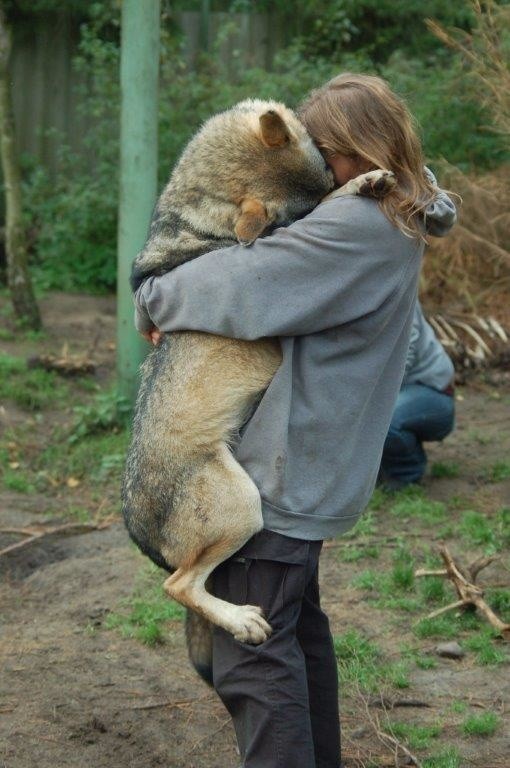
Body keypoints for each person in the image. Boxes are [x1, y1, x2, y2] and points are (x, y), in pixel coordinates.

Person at [133, 74, 457, 768]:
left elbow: (239, 286)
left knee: (256, 670)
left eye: (323, 156)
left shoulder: (356, 224)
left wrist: (151, 292)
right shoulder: (398, 208)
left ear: (358, 150)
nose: (311, 172)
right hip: (315, 459)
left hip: (283, 468)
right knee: (297, 639)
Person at [379, 300, 455, 489]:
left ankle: (407, 473)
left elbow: (404, 352)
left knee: (382, 421)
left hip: (433, 392)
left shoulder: (397, 288)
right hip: (402, 390)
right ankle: (381, 470)